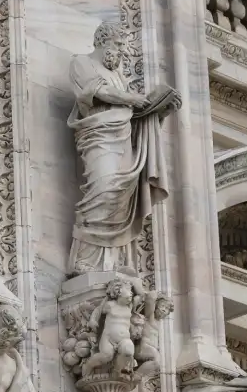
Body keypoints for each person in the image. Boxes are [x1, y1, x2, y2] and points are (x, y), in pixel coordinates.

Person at [66, 21, 178, 276]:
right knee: (104, 190)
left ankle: (110, 263)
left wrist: (160, 110)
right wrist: (131, 98)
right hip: (99, 136)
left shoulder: (119, 76)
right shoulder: (81, 62)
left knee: (121, 196)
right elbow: (97, 91)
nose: (122, 51)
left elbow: (135, 114)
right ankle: (83, 259)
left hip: (123, 138)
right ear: (103, 40)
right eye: (118, 45)